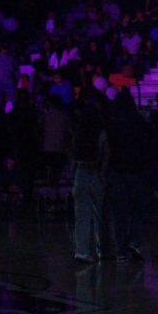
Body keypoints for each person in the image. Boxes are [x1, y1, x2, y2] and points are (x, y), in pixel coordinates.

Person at [105, 90, 153, 262]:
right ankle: (134, 242)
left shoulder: (111, 123)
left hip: (117, 171)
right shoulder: (139, 122)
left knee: (119, 213)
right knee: (137, 209)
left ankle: (120, 250)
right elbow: (148, 145)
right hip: (136, 171)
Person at [69, 93, 109, 263]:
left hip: (80, 172)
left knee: (81, 215)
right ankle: (102, 249)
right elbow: (106, 152)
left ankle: (81, 251)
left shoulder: (78, 132)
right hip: (95, 171)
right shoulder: (100, 131)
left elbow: (71, 153)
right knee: (101, 214)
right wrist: (103, 172)